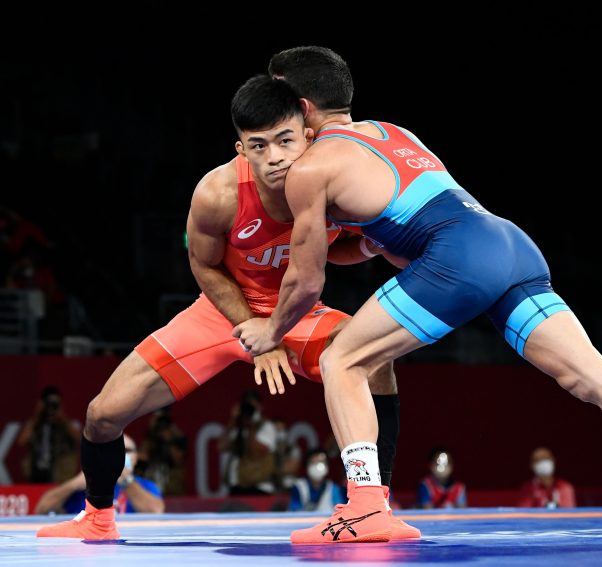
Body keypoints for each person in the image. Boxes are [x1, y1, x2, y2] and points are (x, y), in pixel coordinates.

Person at [236, 46, 602, 543]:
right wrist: (365, 240)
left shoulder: (310, 169)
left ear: (300, 108)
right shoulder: (392, 133)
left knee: (343, 359)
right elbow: (392, 236)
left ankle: (366, 505)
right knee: (591, 373)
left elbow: (307, 282)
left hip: (458, 255)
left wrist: (272, 328)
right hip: (509, 244)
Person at [37, 75, 417, 540]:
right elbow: (204, 265)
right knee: (102, 414)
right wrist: (258, 330)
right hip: (221, 315)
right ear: (241, 150)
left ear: (308, 136)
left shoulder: (337, 180)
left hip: (296, 313)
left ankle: (373, 505)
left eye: (284, 140)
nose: (274, 157)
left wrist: (368, 249)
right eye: (258, 146)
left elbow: (343, 247)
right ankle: (97, 517)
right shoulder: (218, 194)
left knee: (376, 362)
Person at [34, 433, 164, 515]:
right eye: (112, 449)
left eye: (126, 450)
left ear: (136, 458)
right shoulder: (87, 484)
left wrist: (126, 481)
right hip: (89, 551)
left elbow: (157, 511)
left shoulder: (146, 486)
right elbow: (42, 509)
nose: (117, 455)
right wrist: (74, 484)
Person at [17, 386, 80, 484]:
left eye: (55, 404)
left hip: (60, 471)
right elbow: (21, 441)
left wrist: (62, 417)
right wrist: (37, 415)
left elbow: (78, 437)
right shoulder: (35, 423)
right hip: (37, 470)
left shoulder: (67, 423)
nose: (51, 407)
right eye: (48, 403)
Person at [218, 390, 278, 495]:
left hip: (259, 488)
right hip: (237, 486)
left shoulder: (267, 427)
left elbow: (255, 453)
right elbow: (220, 446)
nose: (250, 411)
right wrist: (233, 419)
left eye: (253, 407)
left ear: (260, 408)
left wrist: (252, 426)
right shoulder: (238, 428)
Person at [289, 448, 345, 513]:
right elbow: (294, 511)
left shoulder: (333, 488)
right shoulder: (299, 486)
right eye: (313, 462)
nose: (317, 466)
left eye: (321, 462)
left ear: (327, 466)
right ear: (307, 466)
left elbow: (341, 512)